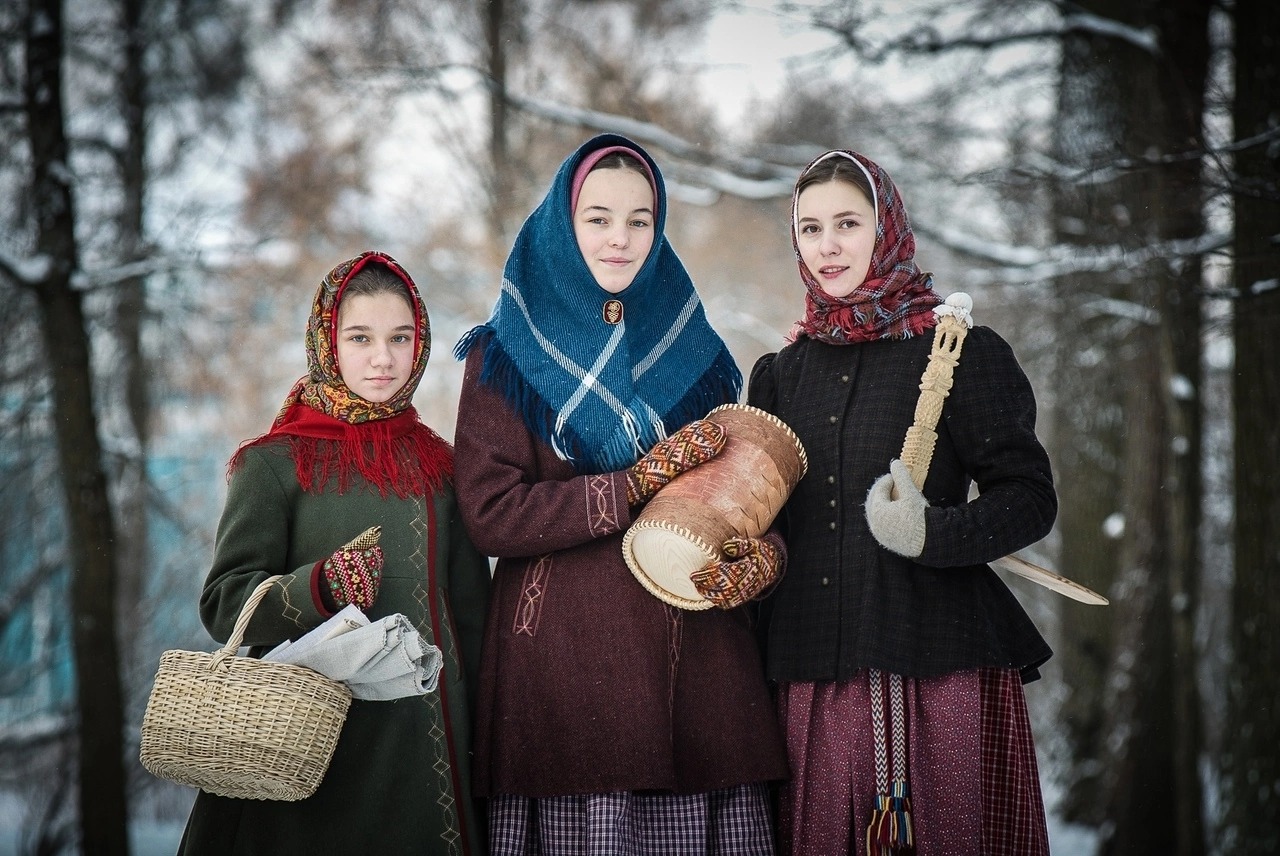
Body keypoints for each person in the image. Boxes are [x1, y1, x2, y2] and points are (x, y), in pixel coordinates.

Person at [452, 133, 788, 855]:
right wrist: (626, 488)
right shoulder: (504, 353)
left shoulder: (693, 349)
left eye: (640, 219)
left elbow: (740, 498)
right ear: (562, 224)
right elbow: (489, 513)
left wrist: (763, 559)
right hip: (565, 672)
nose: (620, 237)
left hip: (698, 673)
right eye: (598, 217)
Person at [749, 150, 1057, 856]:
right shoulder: (778, 376)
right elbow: (768, 525)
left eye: (848, 223)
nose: (828, 245)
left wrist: (930, 532)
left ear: (886, 226)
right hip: (811, 680)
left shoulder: (959, 351)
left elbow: (1029, 499)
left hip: (936, 669)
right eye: (811, 227)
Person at [178, 251, 491, 855]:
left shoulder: (439, 465)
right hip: (308, 737)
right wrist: (318, 588)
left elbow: (472, 618)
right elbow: (222, 605)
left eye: (400, 337)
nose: (382, 357)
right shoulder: (272, 464)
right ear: (328, 342)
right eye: (361, 337)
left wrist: (484, 737)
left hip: (424, 746)